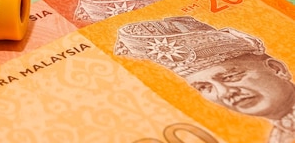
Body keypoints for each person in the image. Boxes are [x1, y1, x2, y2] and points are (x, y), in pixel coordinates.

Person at [114, 16, 295, 143]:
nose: (224, 93)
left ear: (276, 69)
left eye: (230, 76)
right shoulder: (279, 136)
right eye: (204, 87)